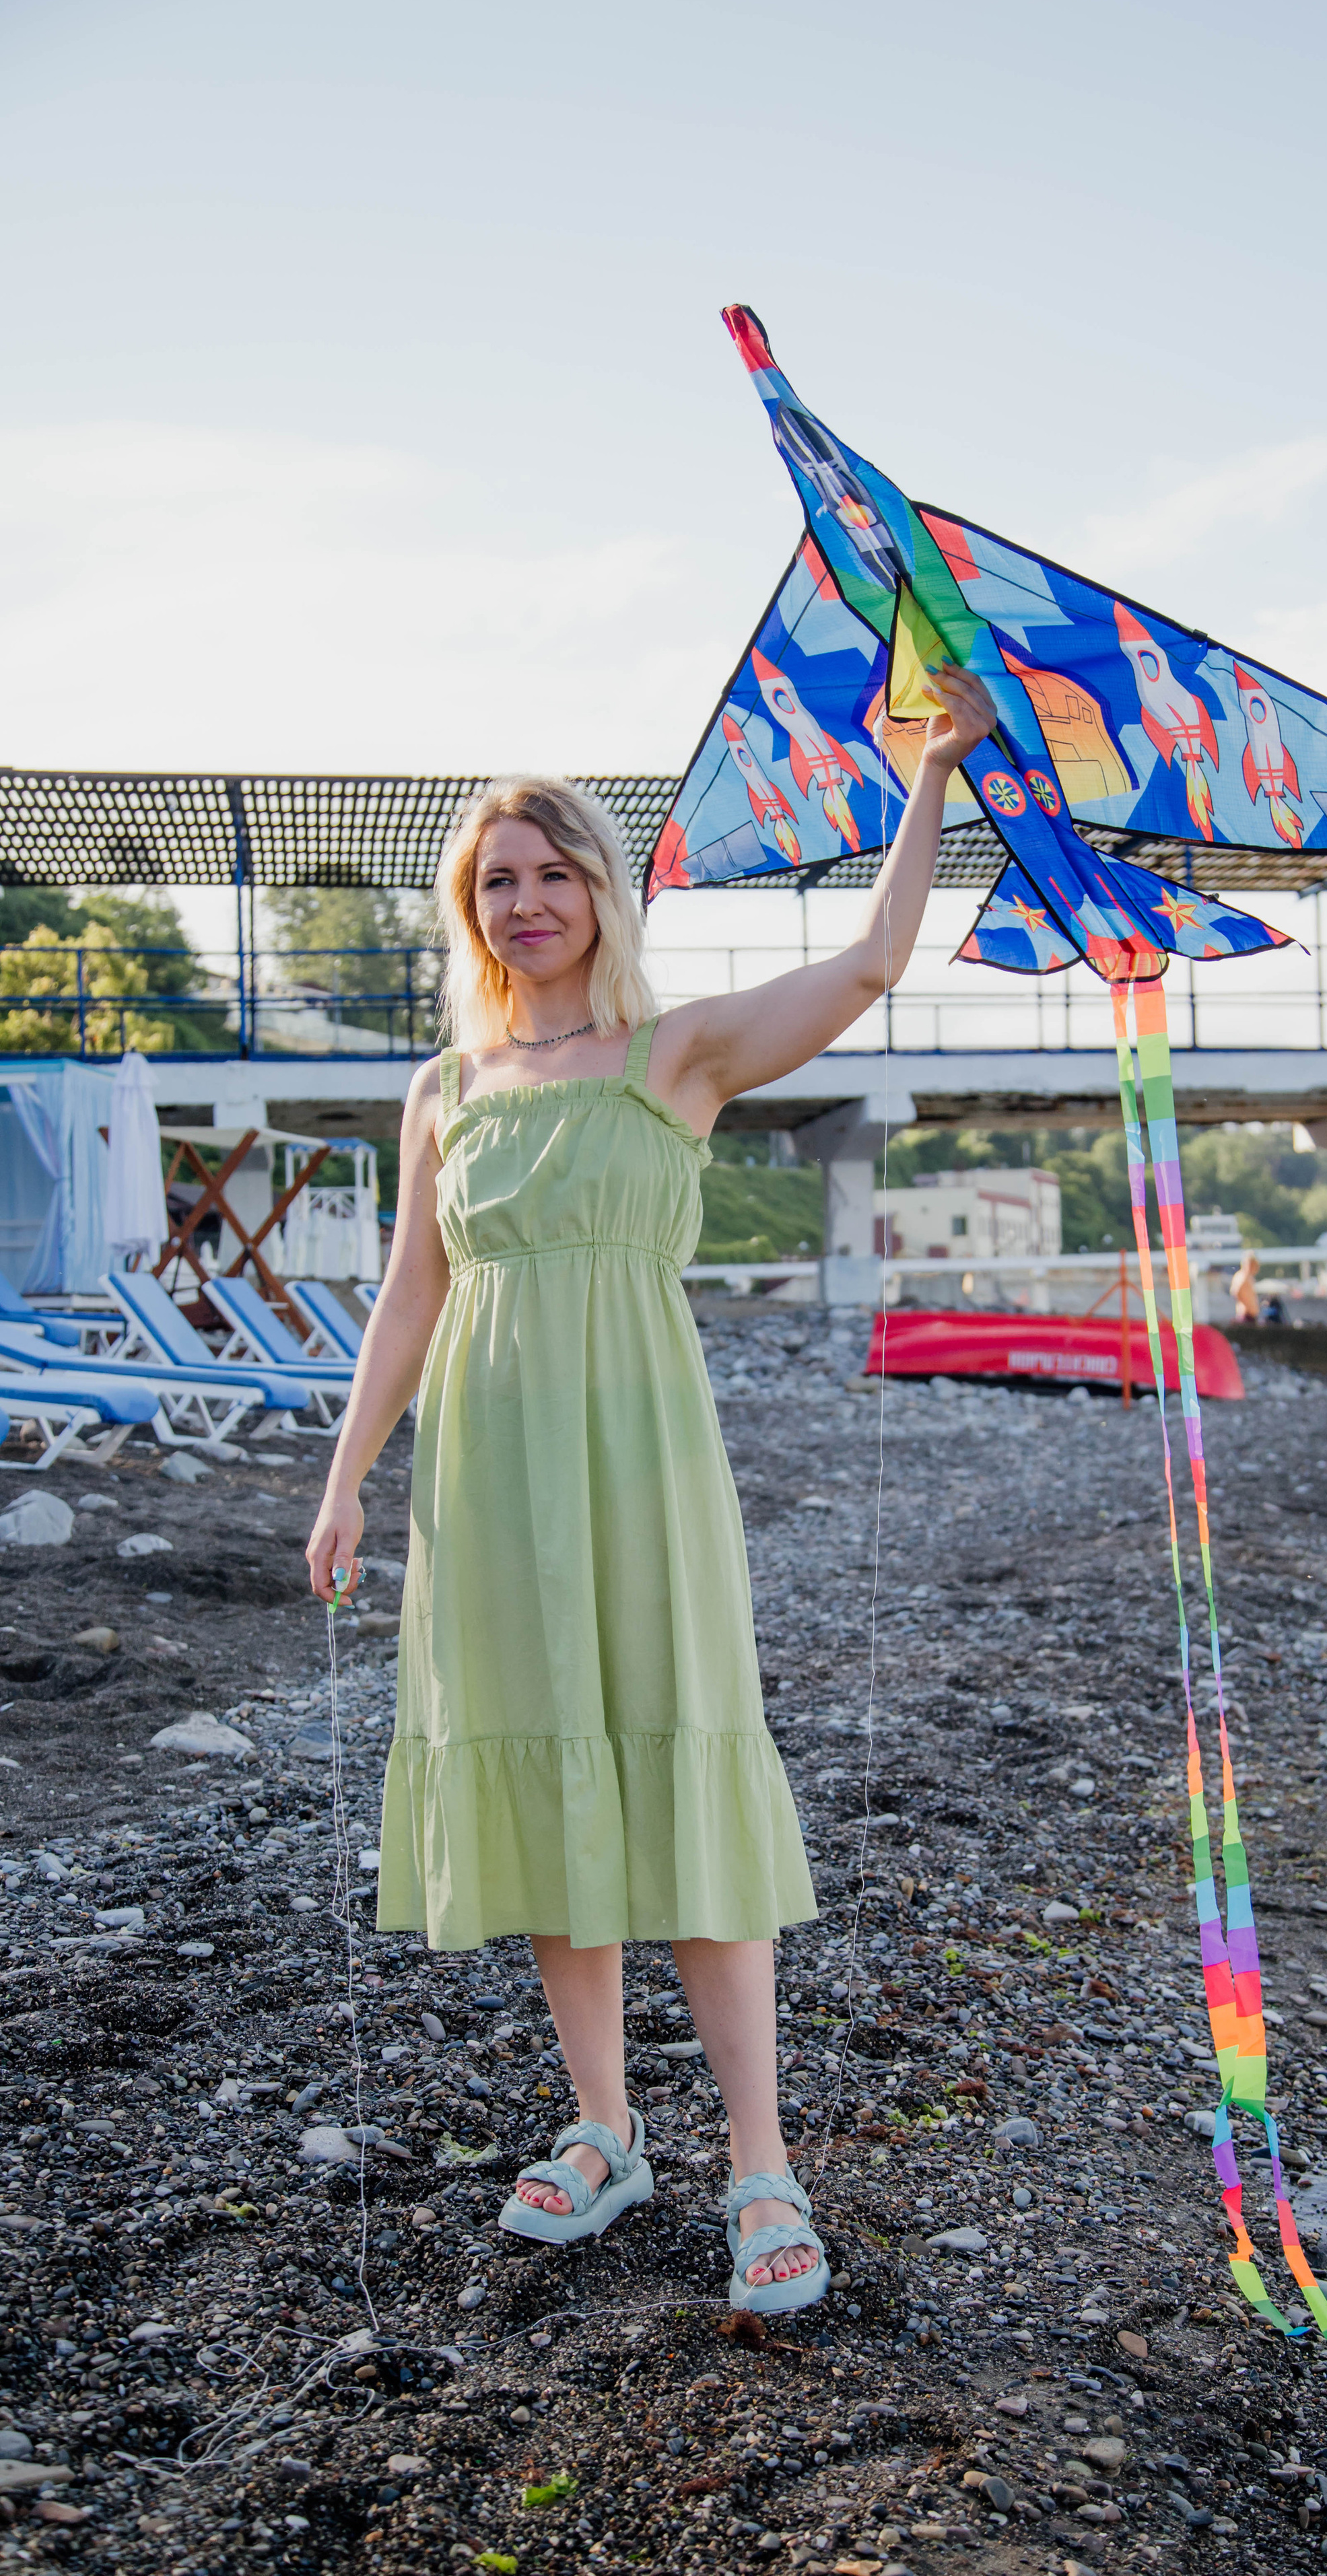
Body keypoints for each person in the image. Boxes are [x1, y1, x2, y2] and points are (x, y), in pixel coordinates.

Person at [305, 668, 994, 2316]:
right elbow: (410, 1295)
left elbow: (871, 961)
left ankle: (759, 2162)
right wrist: (344, 1490)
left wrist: (932, 781)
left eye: (552, 872)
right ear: (472, 914)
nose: (525, 900)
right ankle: (605, 2127)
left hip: (640, 1460)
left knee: (676, 1771)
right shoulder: (444, 1091)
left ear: (603, 889)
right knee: (552, 1781)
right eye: (496, 881)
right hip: (486, 1474)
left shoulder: (671, 1055)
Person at [1229, 1248, 1261, 1324]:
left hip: (1251, 1316)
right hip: (1246, 1316)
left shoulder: (1250, 1278)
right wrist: (1247, 1306)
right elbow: (1235, 1292)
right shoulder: (1242, 1276)